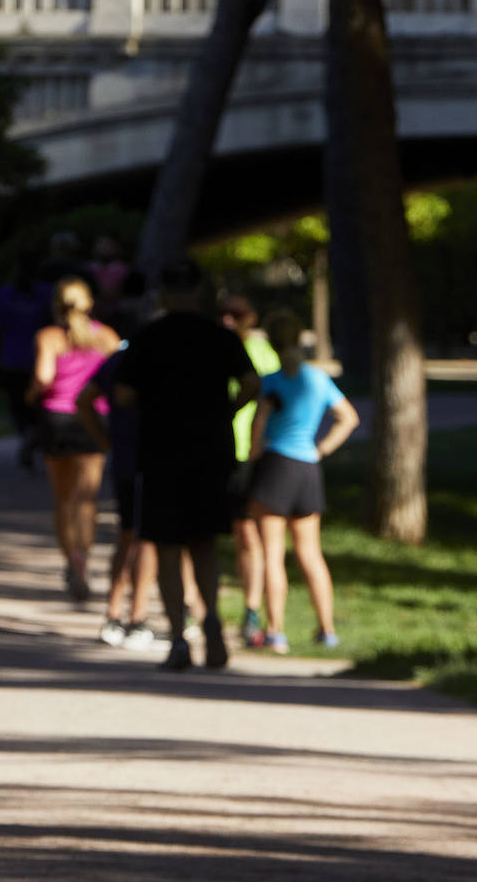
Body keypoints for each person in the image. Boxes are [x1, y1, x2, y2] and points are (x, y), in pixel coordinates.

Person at [115, 258, 259, 670]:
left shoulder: (148, 337)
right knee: (205, 542)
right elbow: (252, 384)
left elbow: (123, 395)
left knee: (166, 547)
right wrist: (228, 411)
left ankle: (179, 637)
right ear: (199, 292)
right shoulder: (220, 336)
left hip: (161, 453)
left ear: (163, 293)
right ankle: (211, 616)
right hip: (211, 450)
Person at [248, 309, 359, 653]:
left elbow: (257, 428)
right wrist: (321, 448)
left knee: (272, 554)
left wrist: (251, 463)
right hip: (308, 469)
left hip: (277, 466)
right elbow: (348, 418)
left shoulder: (271, 381)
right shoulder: (317, 378)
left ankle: (276, 630)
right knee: (311, 553)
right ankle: (326, 630)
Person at [76, 270, 161, 649]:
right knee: (146, 540)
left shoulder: (118, 359)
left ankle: (114, 614)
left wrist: (106, 440)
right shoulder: (155, 359)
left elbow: (84, 401)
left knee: (129, 535)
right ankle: (135, 617)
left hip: (126, 457)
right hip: (150, 460)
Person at [26, 276, 120, 602]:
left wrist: (31, 394)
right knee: (87, 499)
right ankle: (84, 558)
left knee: (63, 497)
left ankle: (71, 560)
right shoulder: (107, 336)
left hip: (57, 419)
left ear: (56, 305)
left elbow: (43, 376)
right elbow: (120, 377)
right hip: (93, 418)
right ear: (89, 304)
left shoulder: (50, 337)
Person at [219, 295, 281, 648]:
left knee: (247, 534)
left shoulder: (262, 353)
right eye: (224, 314)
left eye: (236, 315)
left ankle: (251, 609)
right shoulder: (212, 347)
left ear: (249, 318)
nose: (229, 320)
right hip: (217, 448)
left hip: (248, 451)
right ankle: (193, 606)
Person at [0, 252, 52, 468]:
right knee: (40, 404)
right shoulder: (45, 293)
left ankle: (28, 433)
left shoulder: (5, 295)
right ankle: (38, 435)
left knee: (17, 404)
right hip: (41, 357)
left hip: (12, 357)